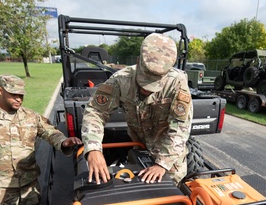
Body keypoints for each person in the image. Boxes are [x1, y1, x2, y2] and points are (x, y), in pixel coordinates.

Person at [81, 33, 193, 185]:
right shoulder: (120, 80)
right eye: (144, 82)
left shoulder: (177, 83)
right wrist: (93, 149)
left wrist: (162, 164)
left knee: (170, 196)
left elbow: (180, 127)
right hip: (140, 150)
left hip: (169, 158)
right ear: (138, 61)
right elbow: (96, 112)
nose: (147, 90)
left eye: (154, 85)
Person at [0, 74, 82, 205]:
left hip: (29, 187)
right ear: (0, 91)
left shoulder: (30, 116)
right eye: (13, 94)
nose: (18, 99)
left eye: (21, 95)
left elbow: (49, 131)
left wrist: (63, 141)